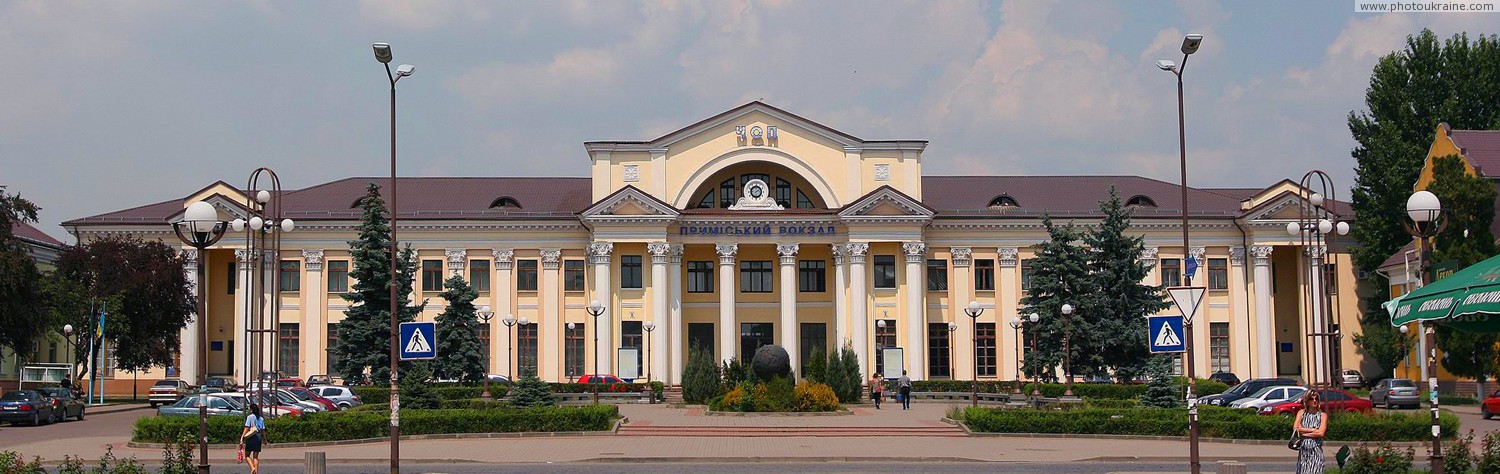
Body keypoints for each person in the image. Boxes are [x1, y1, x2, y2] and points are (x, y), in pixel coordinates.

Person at [1293, 391, 1327, 474]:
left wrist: (1303, 432)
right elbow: (1296, 428)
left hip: (1316, 451)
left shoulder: (1322, 415)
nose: (1314, 401)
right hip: (1304, 451)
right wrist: (1314, 429)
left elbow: (1321, 433)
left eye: (1316, 399)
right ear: (1307, 401)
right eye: (1311, 399)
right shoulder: (1301, 413)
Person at [239, 403, 265, 474]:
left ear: (251, 410)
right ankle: (256, 472)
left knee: (247, 455)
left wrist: (242, 437)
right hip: (259, 437)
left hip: (251, 437)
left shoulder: (250, 417)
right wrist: (265, 440)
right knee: (255, 457)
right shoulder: (261, 418)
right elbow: (263, 430)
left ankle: (252, 468)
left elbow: (247, 428)